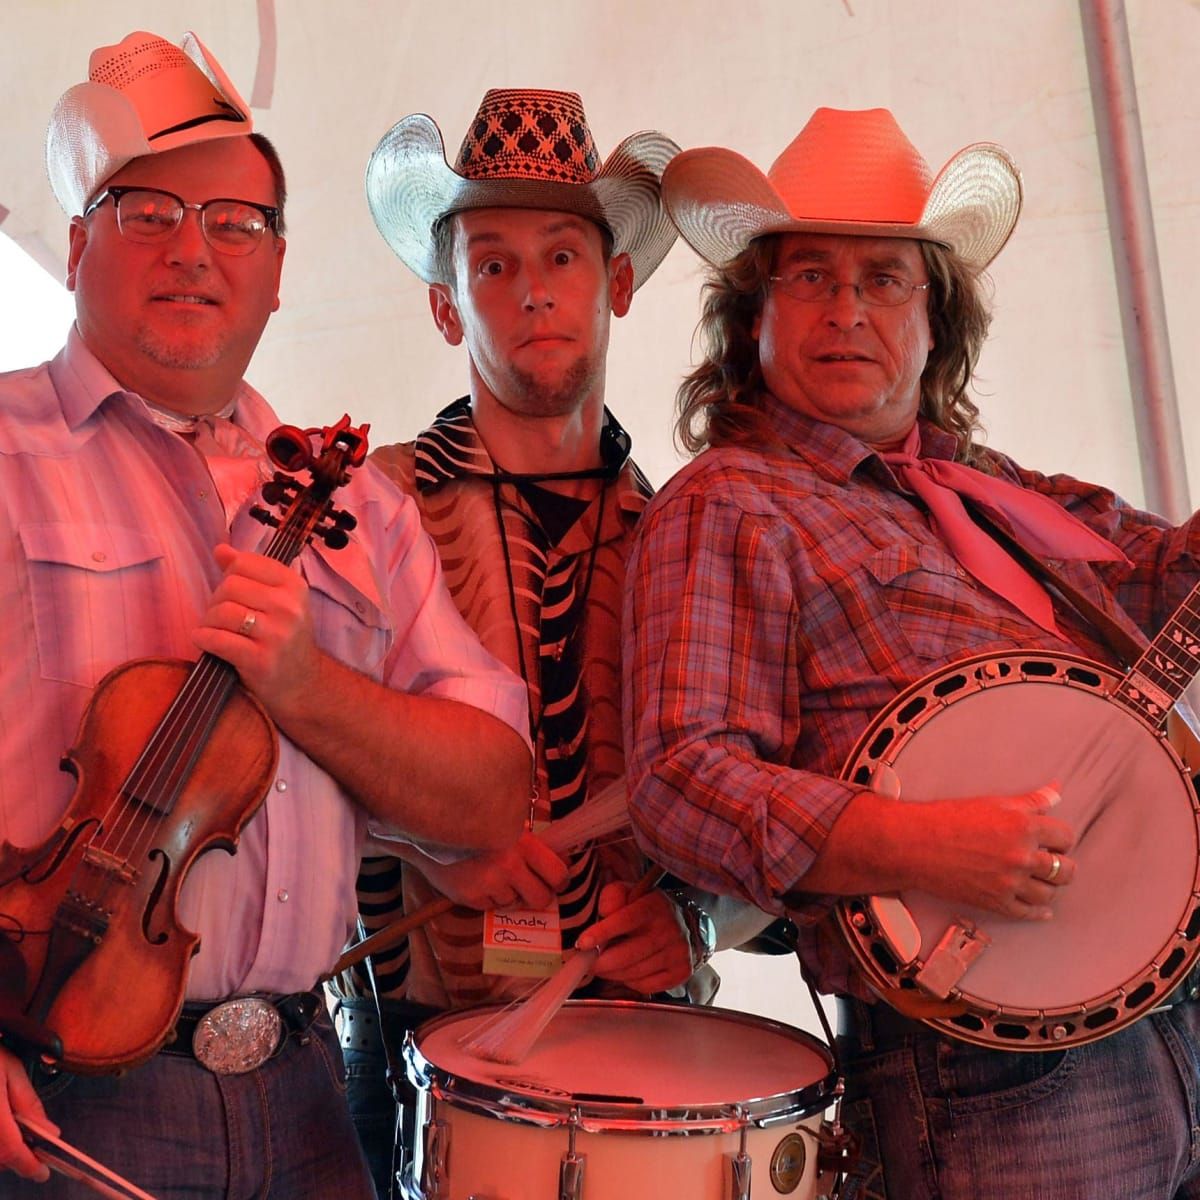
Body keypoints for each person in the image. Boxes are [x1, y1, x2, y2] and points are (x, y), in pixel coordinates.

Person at [623, 106, 1200, 1200]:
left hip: (1176, 1015)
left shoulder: (1011, 495)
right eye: (809, 279)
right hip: (989, 1065)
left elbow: (1170, 577)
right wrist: (916, 843)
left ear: (939, 325)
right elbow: (679, 781)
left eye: (886, 279)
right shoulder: (731, 506)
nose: (847, 310)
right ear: (753, 319)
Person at [0, 31, 531, 1199]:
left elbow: (492, 796)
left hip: (306, 1094)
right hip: (58, 1094)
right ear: (79, 243)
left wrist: (309, 688)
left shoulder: (368, 510)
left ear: (280, 267)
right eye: (147, 213)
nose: (193, 249)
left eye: (235, 223)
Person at [334, 88, 770, 1196]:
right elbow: (293, 751)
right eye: (491, 264)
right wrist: (427, 835)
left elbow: (775, 782)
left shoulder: (685, 531)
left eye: (564, 258)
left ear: (616, 285)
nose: (532, 291)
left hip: (647, 1047)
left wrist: (697, 922)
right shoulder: (370, 508)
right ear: (447, 308)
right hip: (414, 1041)